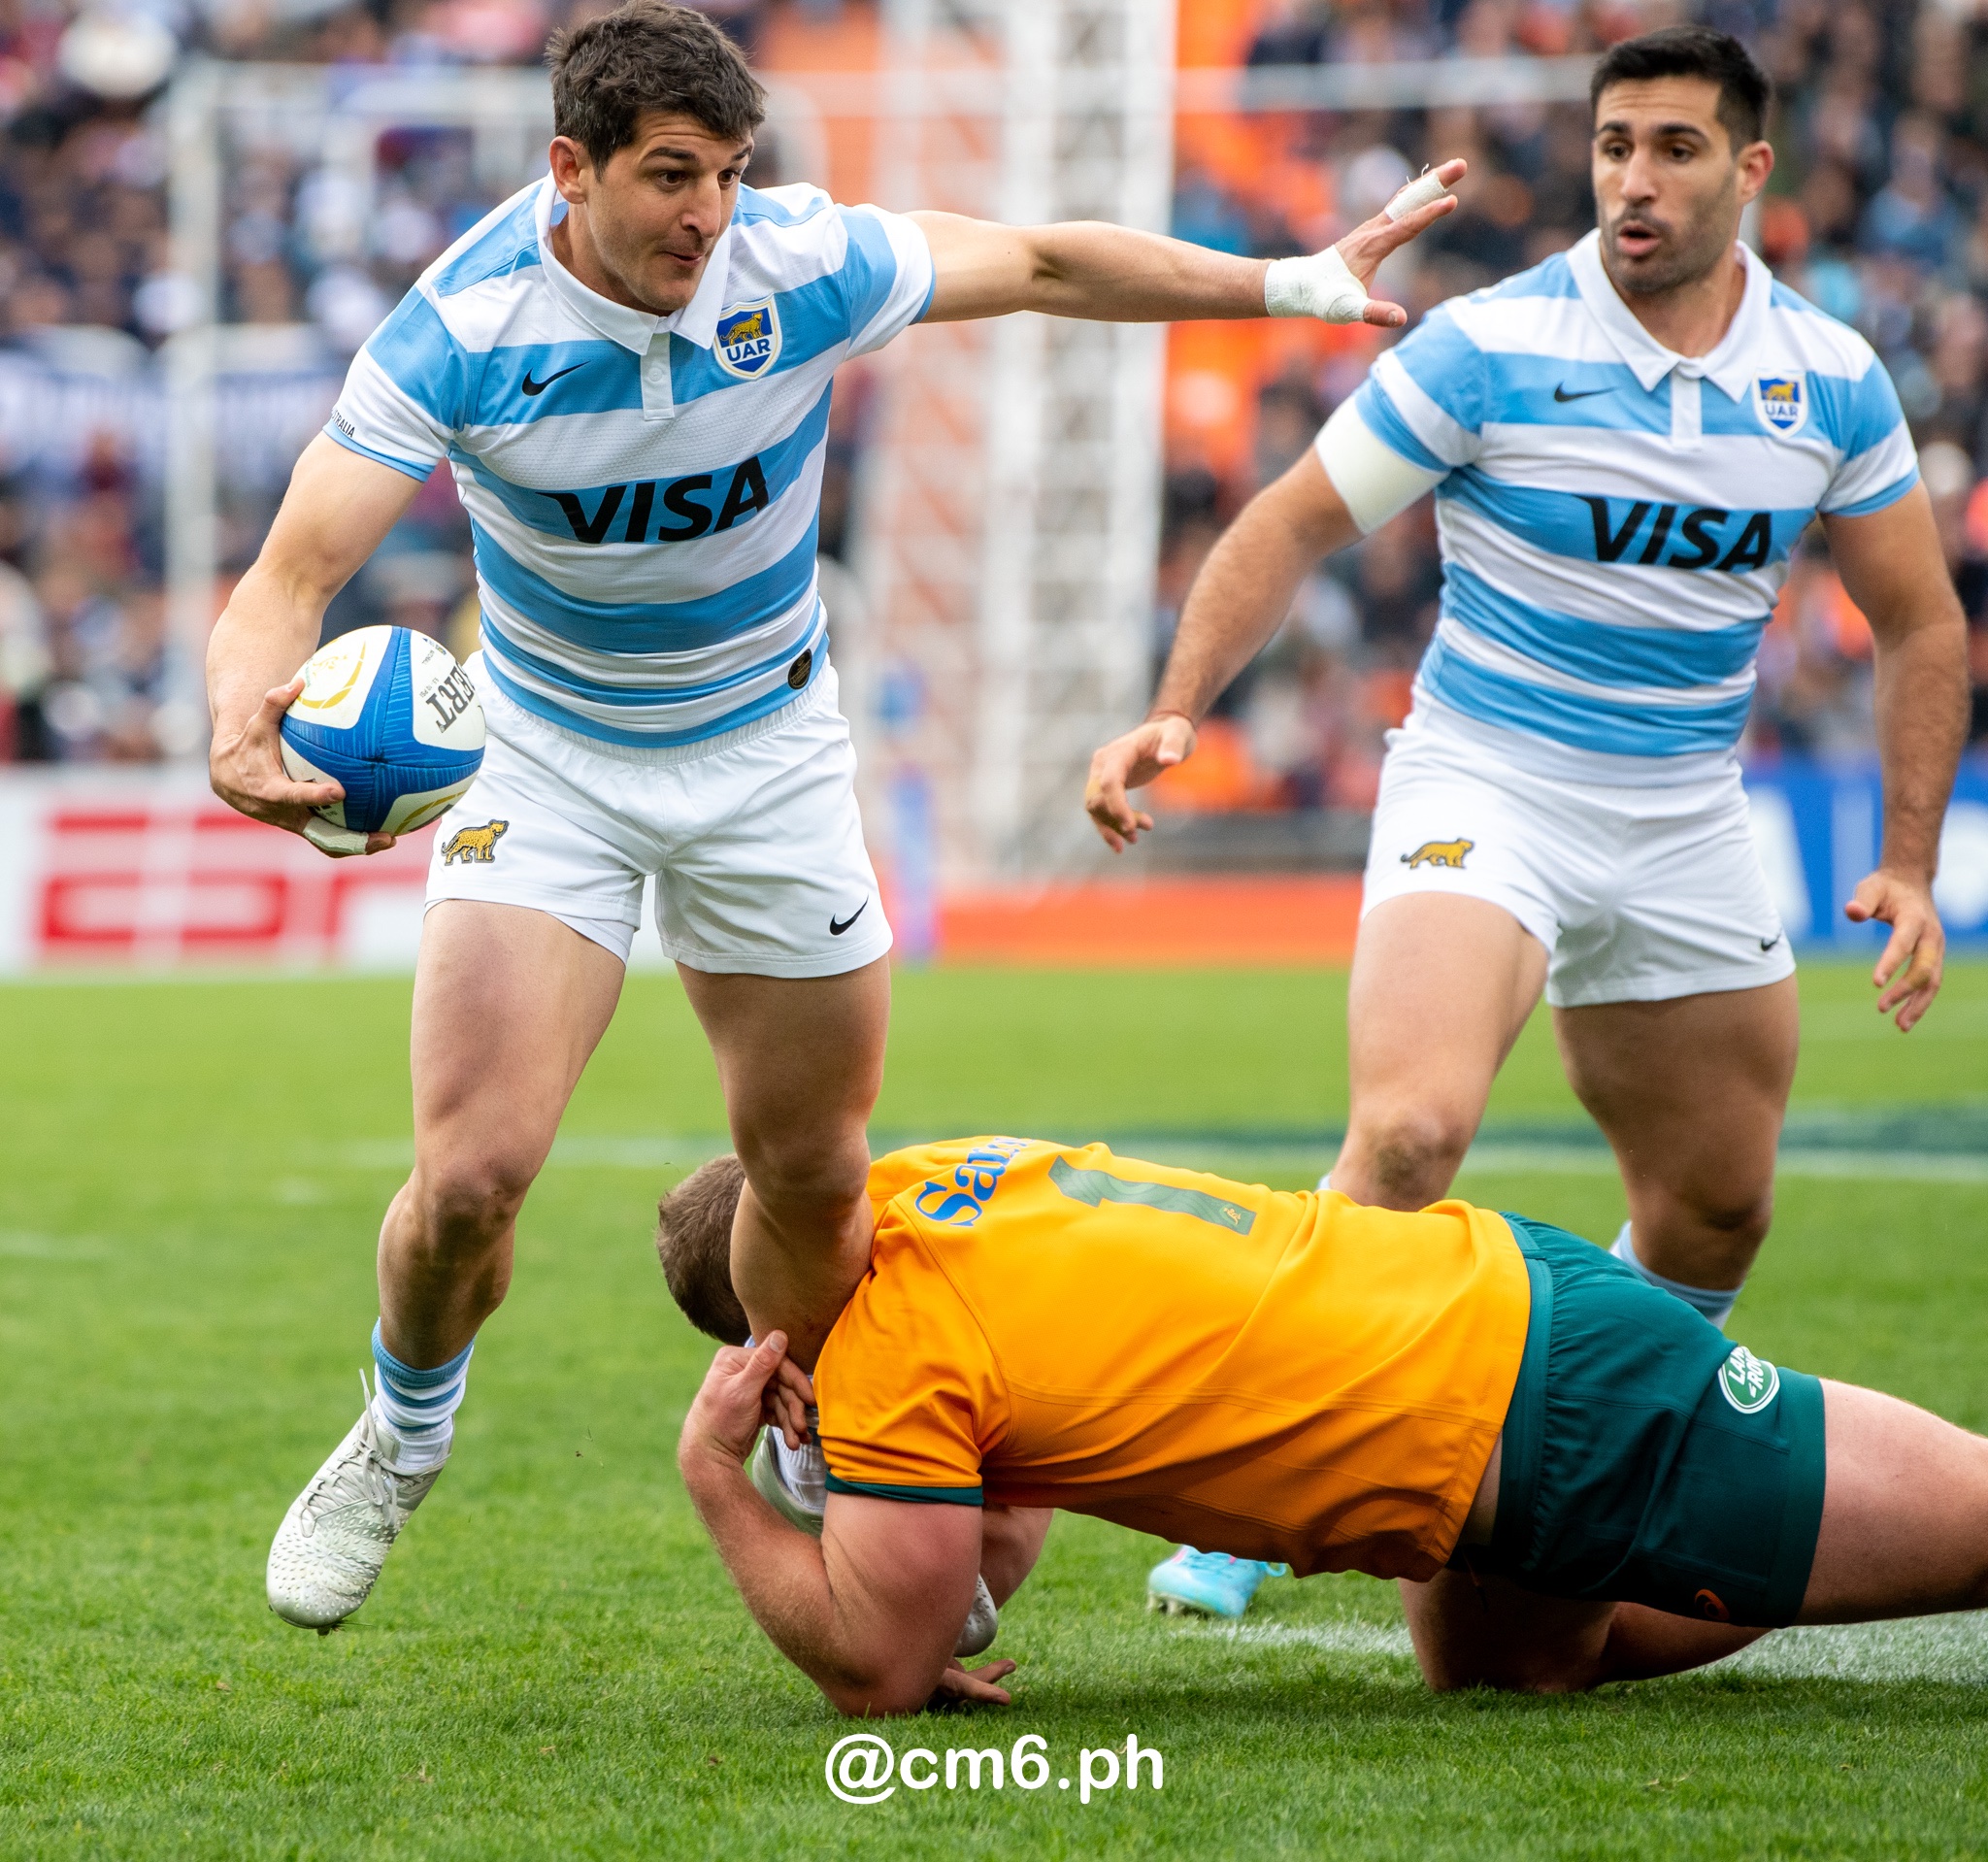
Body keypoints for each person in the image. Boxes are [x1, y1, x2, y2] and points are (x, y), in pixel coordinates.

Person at [215, 1, 1467, 1631]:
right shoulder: (459, 328)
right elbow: (290, 575)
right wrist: (241, 714)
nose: (707, 216)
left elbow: (1045, 263)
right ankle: (400, 1434)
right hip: (550, 756)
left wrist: (1287, 280)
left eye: (730, 174)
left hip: (769, 756)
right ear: (567, 169)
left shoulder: (796, 265)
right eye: (670, 178)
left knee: (810, 1173)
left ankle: (835, 1451)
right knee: (472, 1174)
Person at [1083, 27, 1969, 1614]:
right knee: (1412, 1131)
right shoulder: (1490, 344)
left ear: (1751, 170)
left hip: (1689, 810)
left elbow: (1917, 623)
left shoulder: (1828, 377)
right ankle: (1242, 1497)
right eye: (1615, 141)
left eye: (1677, 148)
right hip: (1487, 783)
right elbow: (1286, 521)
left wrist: (1906, 860)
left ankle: (1597, 1468)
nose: (1635, 176)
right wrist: (1181, 701)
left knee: (1715, 1205)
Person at [665, 1136, 1988, 1715]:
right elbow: (995, 1529)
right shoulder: (940, 1181)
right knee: (1495, 1675)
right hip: (1492, 1341)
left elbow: (879, 1672)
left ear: (764, 1342)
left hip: (1539, 1402)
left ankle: (1739, 1510)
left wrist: (718, 1475)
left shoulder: (890, 1352)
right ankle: (1732, 1522)